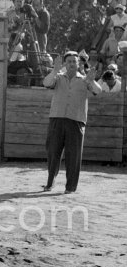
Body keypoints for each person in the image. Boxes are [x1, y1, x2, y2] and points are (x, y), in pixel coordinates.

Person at [42, 51, 101, 194]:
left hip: (76, 120)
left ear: (78, 64)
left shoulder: (85, 79)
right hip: (57, 118)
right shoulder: (58, 77)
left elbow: (98, 91)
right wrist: (55, 69)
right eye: (69, 61)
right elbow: (46, 83)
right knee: (52, 152)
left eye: (74, 61)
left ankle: (70, 187)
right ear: (64, 64)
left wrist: (92, 81)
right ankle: (50, 183)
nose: (72, 64)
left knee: (74, 156)